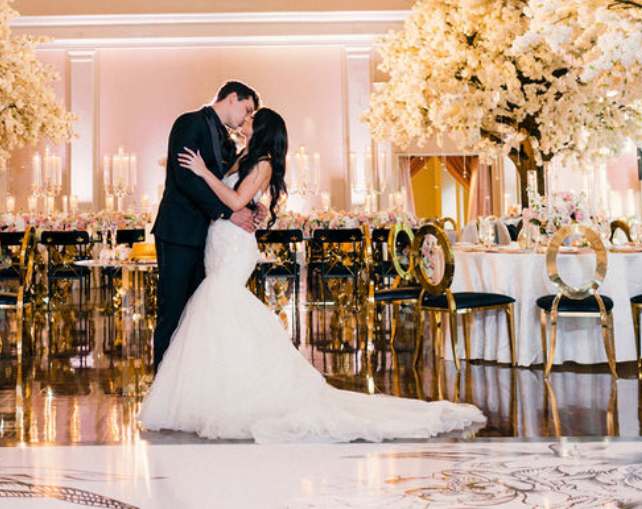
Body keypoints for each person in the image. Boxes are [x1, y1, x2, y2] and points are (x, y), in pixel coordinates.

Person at [139, 107, 484, 442]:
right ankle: (213, 391)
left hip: (232, 248)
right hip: (219, 241)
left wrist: (203, 172)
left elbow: (232, 201)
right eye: (246, 114)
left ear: (262, 129)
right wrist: (248, 201)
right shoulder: (242, 156)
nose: (246, 120)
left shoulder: (263, 163)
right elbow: (239, 200)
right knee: (212, 313)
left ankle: (231, 393)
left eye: (252, 118)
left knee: (220, 305)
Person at [151, 80, 260, 371]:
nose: (244, 119)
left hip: (209, 238)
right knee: (172, 311)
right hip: (179, 232)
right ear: (232, 98)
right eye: (246, 110)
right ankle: (162, 382)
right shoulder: (189, 122)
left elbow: (224, 186)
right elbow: (185, 178)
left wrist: (251, 207)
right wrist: (227, 213)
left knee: (196, 316)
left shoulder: (228, 141)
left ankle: (190, 380)